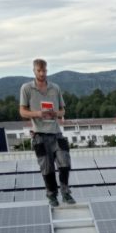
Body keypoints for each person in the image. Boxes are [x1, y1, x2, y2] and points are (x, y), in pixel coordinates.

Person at [19, 58, 74, 207]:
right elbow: (22, 111)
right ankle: (52, 196)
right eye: (39, 71)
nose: (42, 73)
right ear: (34, 71)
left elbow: (63, 111)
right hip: (39, 135)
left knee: (65, 163)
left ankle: (66, 193)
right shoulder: (27, 88)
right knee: (47, 168)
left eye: (44, 70)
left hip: (56, 133)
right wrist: (38, 113)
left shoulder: (55, 88)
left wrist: (56, 113)